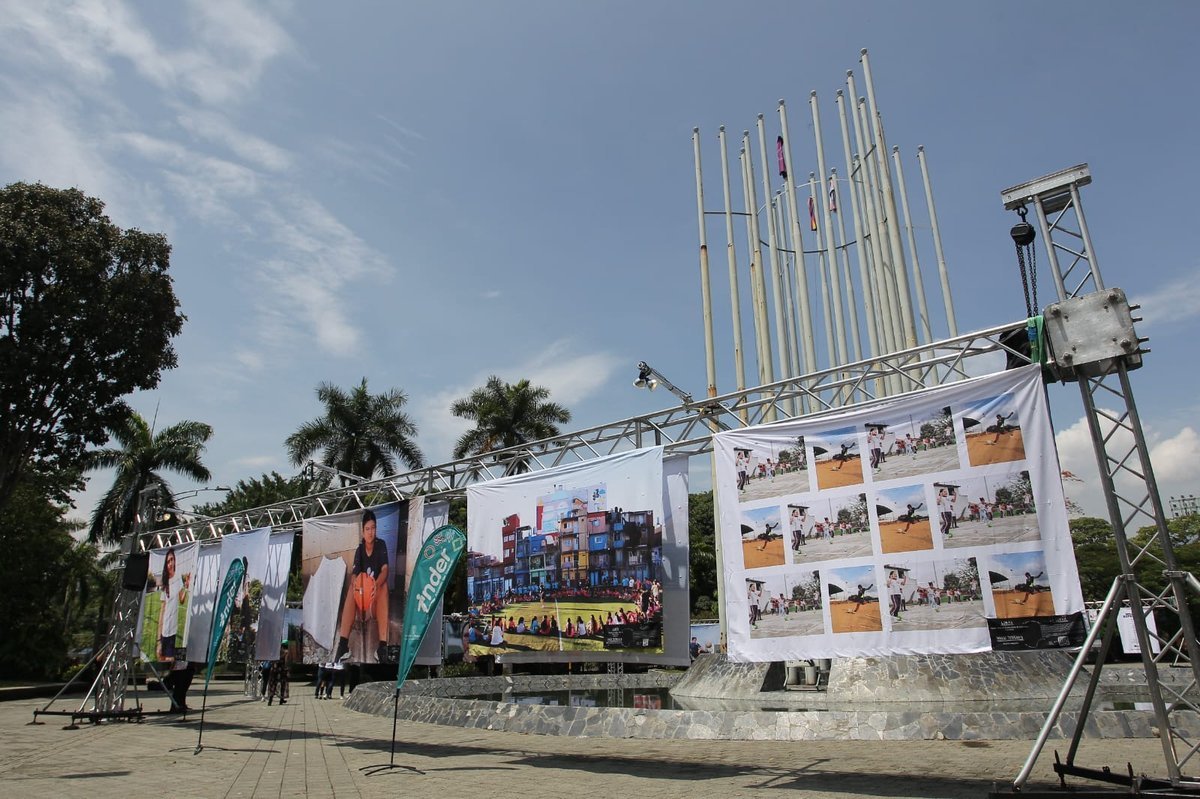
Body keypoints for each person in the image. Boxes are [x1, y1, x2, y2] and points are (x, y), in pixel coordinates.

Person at [333, 509, 390, 664]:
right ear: (363, 532)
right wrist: (356, 584)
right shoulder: (360, 550)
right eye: (367, 529)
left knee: (384, 586)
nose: (371, 532)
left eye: (373, 528)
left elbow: (385, 570)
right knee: (352, 588)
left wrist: (375, 584)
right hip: (361, 601)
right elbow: (354, 574)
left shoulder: (381, 545)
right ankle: (343, 644)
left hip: (374, 600)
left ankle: (382, 646)